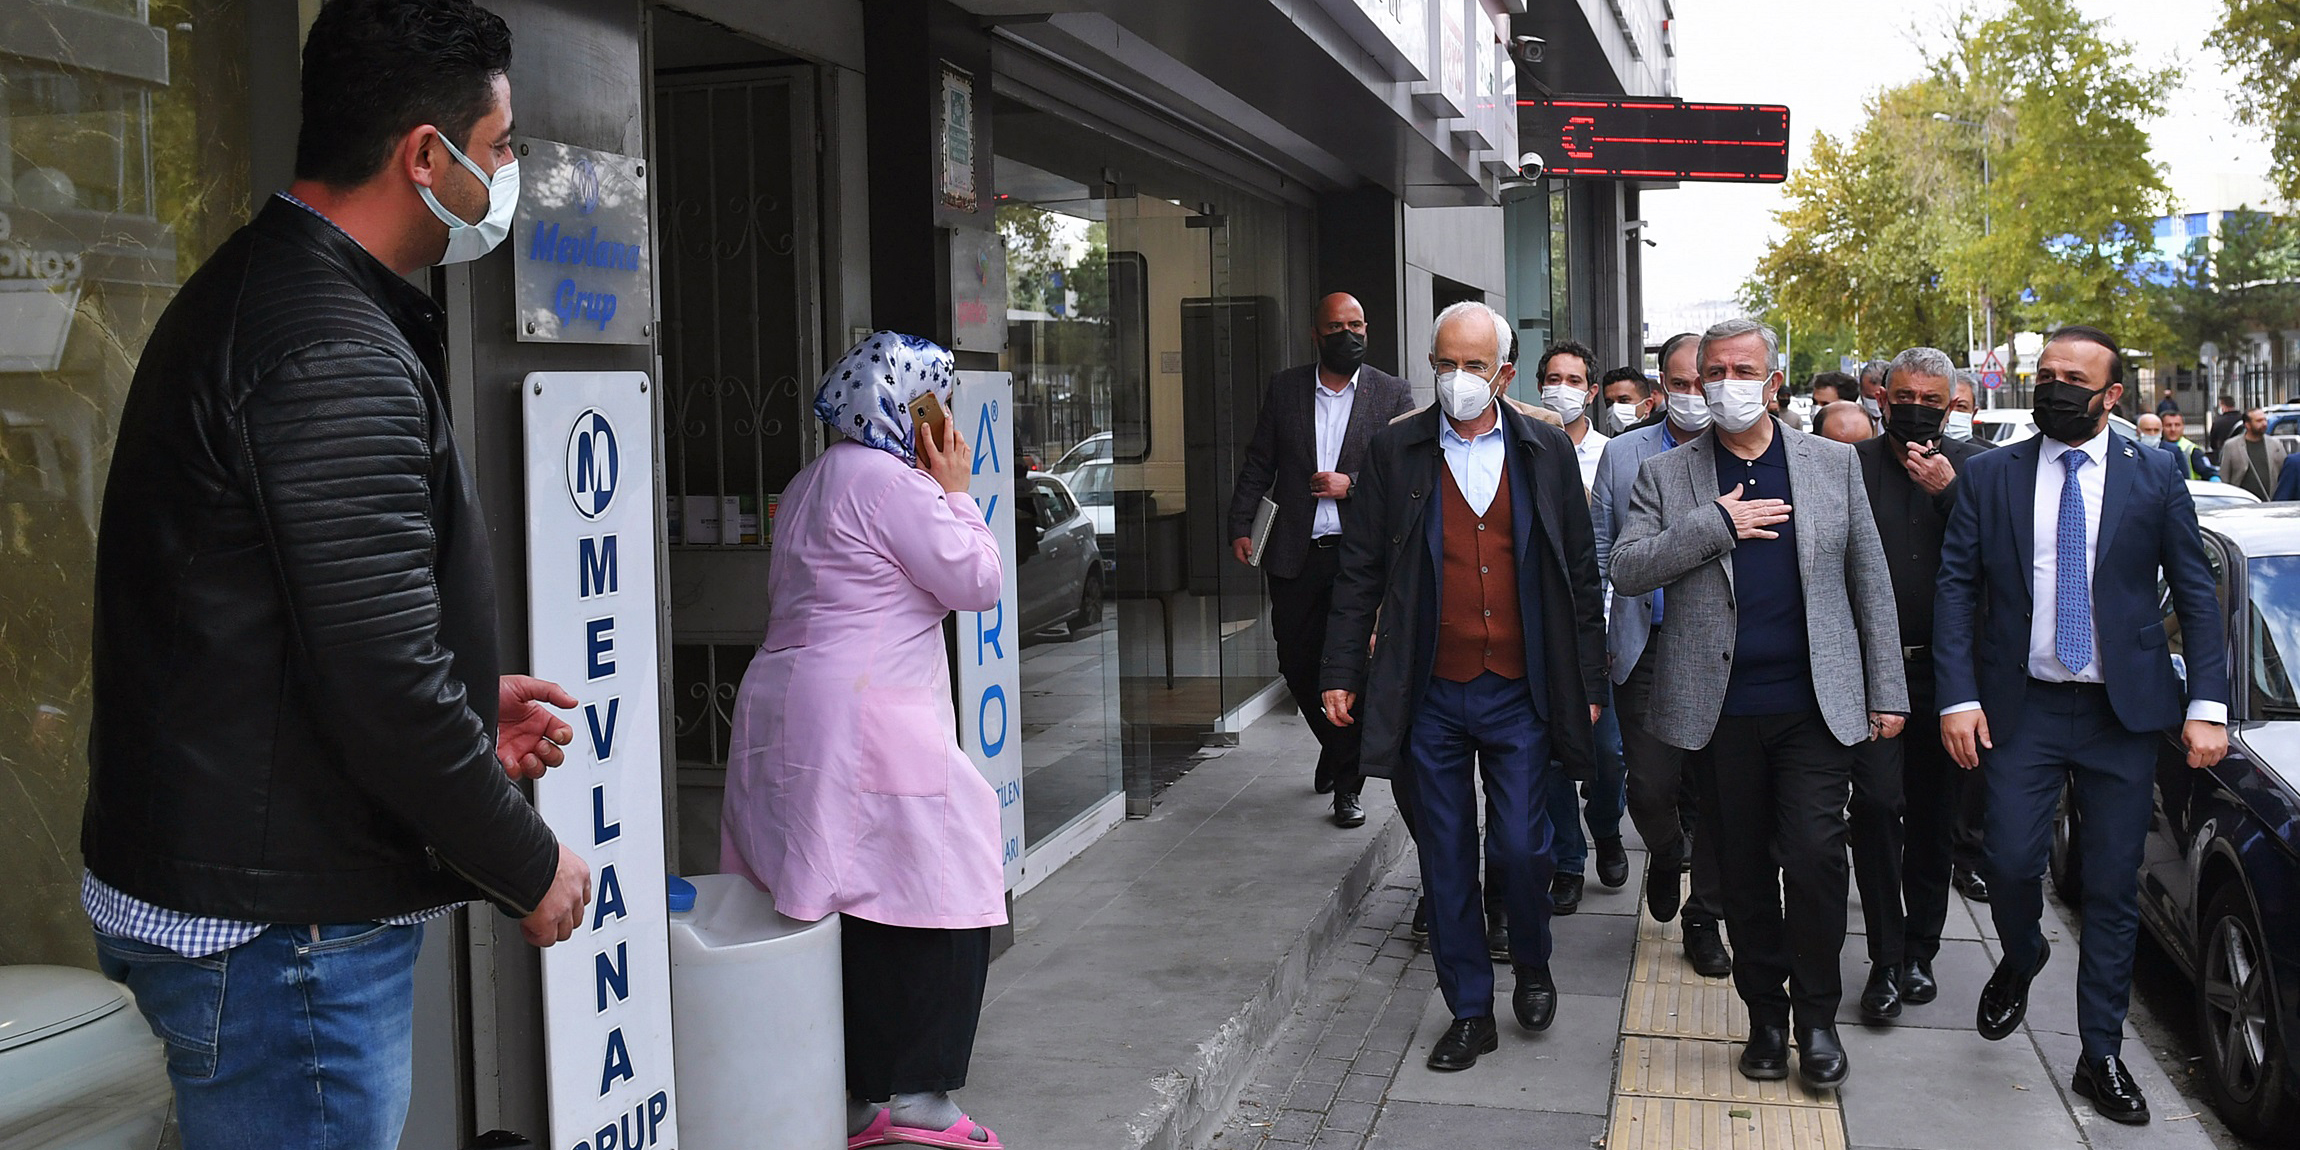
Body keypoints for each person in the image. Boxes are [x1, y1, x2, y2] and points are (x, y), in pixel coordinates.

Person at [80, 3, 591, 1144]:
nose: (505, 175)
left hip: (246, 897)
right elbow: (377, 673)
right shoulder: (327, 346)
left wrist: (463, 700)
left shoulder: (269, 294)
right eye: (500, 147)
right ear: (425, 155)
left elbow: (288, 624)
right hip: (281, 944)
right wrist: (525, 858)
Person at [1937, 324, 2230, 1126]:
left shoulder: (2158, 473)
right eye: (2045, 373)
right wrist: (1956, 697)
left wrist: (2207, 705)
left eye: (2073, 376)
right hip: (2021, 708)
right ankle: (2023, 953)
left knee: (2110, 887)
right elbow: (1957, 589)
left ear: (2110, 396)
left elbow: (2196, 595)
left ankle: (2099, 1051)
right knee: (2008, 860)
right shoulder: (1991, 475)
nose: (2053, 386)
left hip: (2121, 716)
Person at [722, 333, 1007, 1147]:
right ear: (904, 407)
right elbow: (977, 581)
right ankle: (920, 1094)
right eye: (934, 403)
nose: (944, 420)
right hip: (867, 708)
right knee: (951, 869)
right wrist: (956, 490)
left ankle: (845, 1094)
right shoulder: (894, 485)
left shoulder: (810, 481)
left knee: (824, 893)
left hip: (785, 704)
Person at [1611, 318, 1907, 1092]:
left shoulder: (1830, 464)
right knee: (1740, 872)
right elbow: (1631, 568)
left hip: (1815, 704)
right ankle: (1765, 1020)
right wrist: (1716, 526)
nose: (1726, 383)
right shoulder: (1668, 475)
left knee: (1813, 857)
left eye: (1743, 369)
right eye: (1713, 371)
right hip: (1719, 710)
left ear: (1775, 382)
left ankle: (1817, 1019)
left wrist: (1888, 691)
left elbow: (1868, 581)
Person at [1320, 302, 1607, 1072]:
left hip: (1521, 688)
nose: (1456, 379)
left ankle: (1535, 960)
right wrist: (1343, 670)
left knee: (1520, 846)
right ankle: (1469, 1010)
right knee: (1446, 857)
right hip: (1431, 692)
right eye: (1445, 363)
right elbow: (1359, 572)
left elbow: (1581, 577)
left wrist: (1588, 681)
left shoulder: (1545, 450)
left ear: (1505, 373)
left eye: (1473, 366)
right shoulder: (1395, 451)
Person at [1228, 293, 1416, 827]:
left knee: (1350, 666)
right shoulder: (1286, 388)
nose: (1347, 334)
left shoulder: (1392, 392)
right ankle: (1338, 748)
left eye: (1356, 324)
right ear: (1316, 334)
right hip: (1295, 554)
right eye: (1336, 326)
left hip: (1360, 558)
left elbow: (1407, 475)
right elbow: (1259, 461)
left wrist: (1350, 485)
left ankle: (1347, 783)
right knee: (1298, 663)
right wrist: (1240, 524)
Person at [1844, 347, 1990, 1025]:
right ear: (1881, 395)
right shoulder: (1851, 466)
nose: (1917, 410)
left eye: (1933, 401)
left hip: (1950, 676)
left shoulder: (1980, 472)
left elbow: (2006, 561)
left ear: (1952, 404)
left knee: (1935, 816)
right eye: (1905, 396)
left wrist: (1949, 492)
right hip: (1873, 672)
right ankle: (1883, 955)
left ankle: (1920, 951)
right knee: (1874, 807)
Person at [1590, 332, 1733, 979]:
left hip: (1726, 652)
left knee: (1718, 796)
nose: (1696, 396)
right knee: (1648, 787)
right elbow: (1600, 555)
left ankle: (1705, 920)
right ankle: (1668, 853)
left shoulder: (1746, 453)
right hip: (1644, 646)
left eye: (1704, 383)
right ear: (1661, 389)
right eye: (1681, 384)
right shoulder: (1623, 458)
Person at [1533, 340, 1625, 912]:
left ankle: (1608, 828)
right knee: (1548, 757)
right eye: (1551, 378)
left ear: (1590, 391)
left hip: (1601, 630)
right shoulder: (1529, 446)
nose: (1559, 388)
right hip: (1542, 633)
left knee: (1607, 751)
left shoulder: (1612, 457)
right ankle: (1567, 860)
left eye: (1572, 379)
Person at [2217, 407, 2288, 500]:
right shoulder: (2231, 446)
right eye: (2258, 421)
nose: (2264, 424)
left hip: (2270, 503)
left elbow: (2285, 473)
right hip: (2242, 503)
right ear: (2247, 425)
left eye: (2264, 420)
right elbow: (2224, 477)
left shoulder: (2275, 445)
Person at [2159, 411, 2217, 480]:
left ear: (2183, 426)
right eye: (2168, 425)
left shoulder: (2192, 450)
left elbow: (2209, 472)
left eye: (2177, 425)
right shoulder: (2155, 447)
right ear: (2161, 427)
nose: (2173, 429)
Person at [1598, 365, 1654, 436]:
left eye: (1623, 400)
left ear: (1647, 405)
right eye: (1609, 403)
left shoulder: (1664, 441)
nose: (1615, 408)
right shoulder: (1609, 445)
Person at [1945, 373, 1981, 443]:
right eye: (1947, 405)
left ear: (1974, 413)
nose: (1951, 413)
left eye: (1961, 406)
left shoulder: (1990, 453)